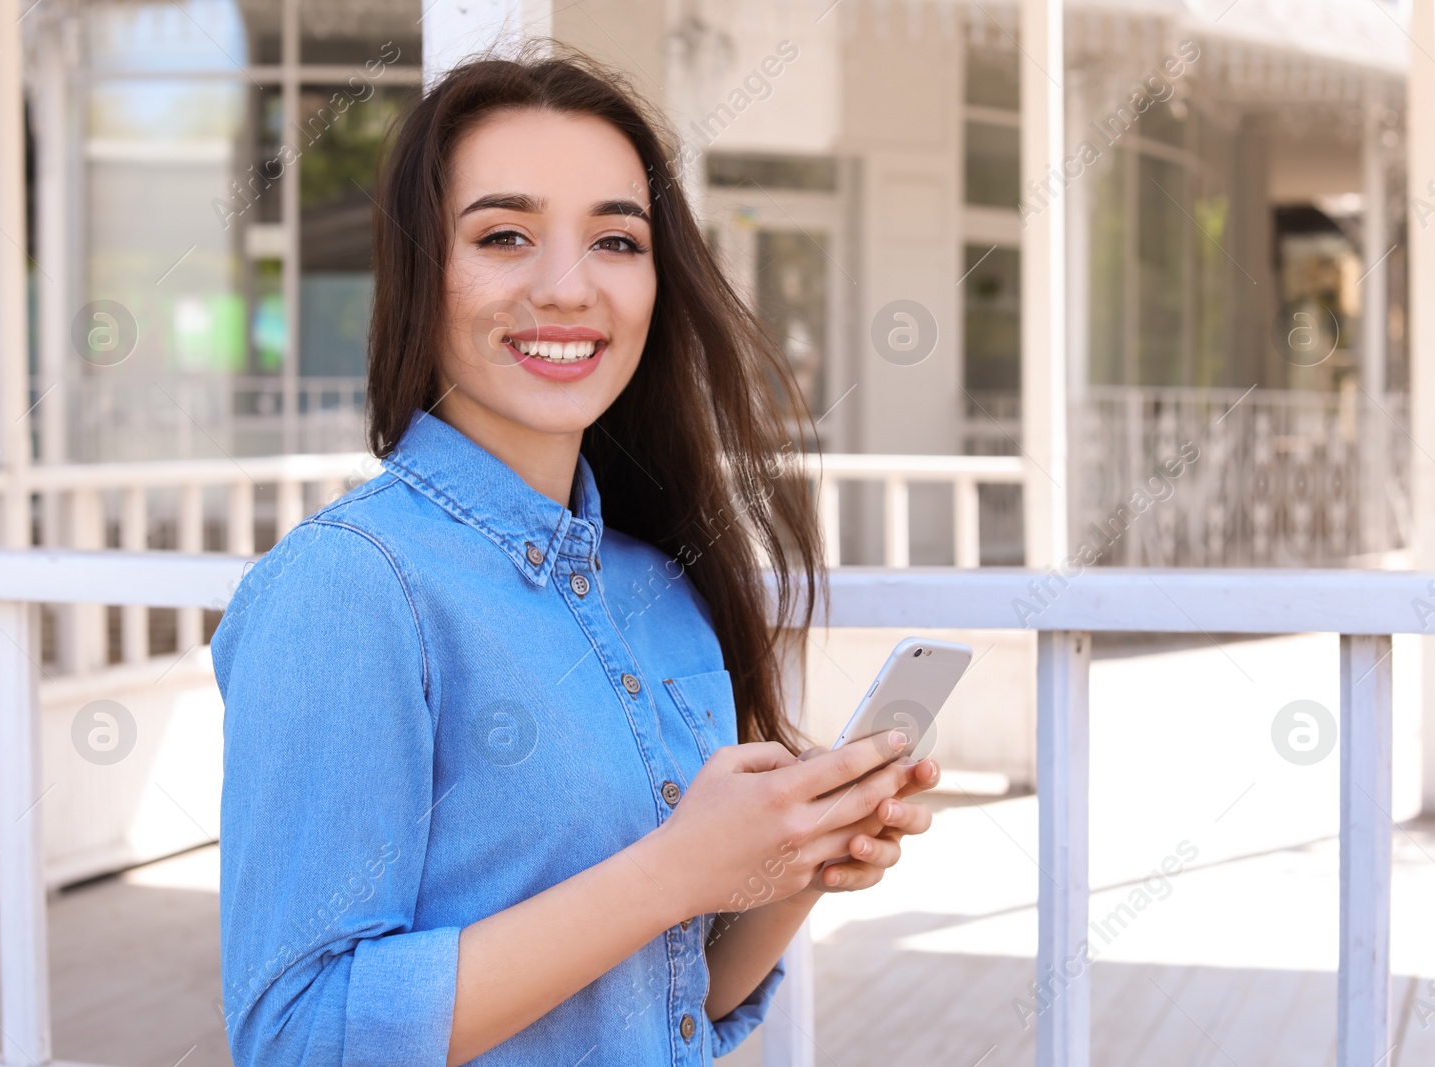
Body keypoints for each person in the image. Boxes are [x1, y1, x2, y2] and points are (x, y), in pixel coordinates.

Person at [212, 44, 940, 1066]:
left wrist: (794, 861)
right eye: (504, 234)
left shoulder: (662, 581)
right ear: (424, 271)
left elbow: (674, 991)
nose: (567, 287)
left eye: (616, 239)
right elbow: (297, 1036)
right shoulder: (350, 587)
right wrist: (674, 870)